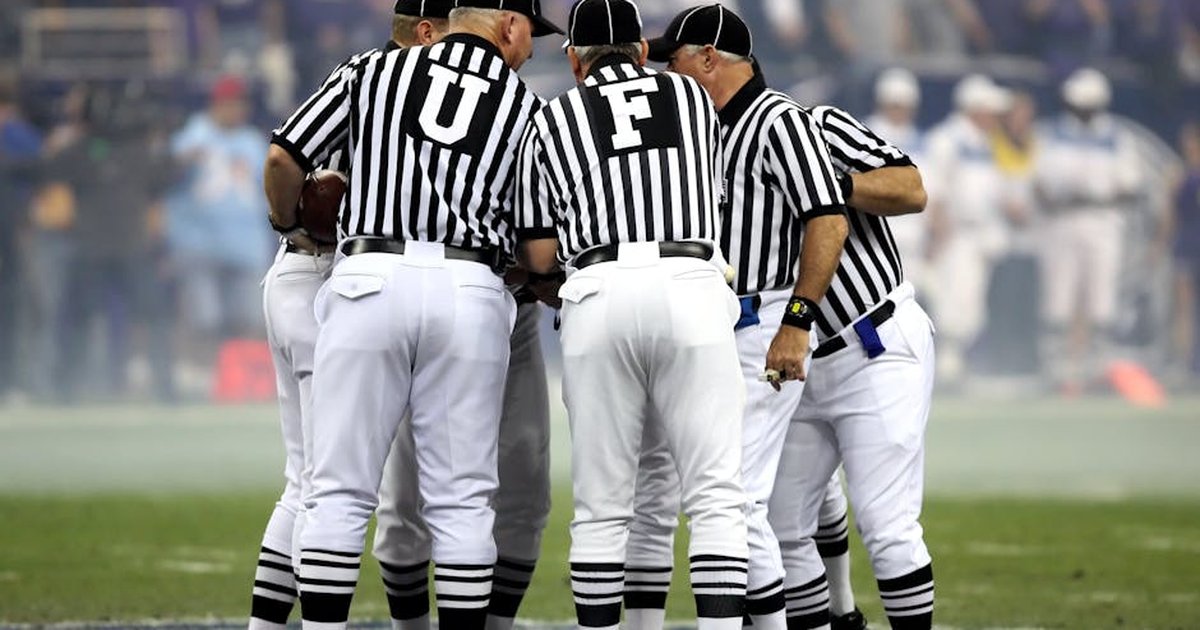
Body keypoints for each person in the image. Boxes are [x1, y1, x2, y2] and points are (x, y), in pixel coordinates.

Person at [264, 1, 560, 627]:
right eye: (530, 32)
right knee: (461, 504)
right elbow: (537, 246)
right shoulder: (528, 108)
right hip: (470, 289)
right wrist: (544, 277)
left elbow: (281, 160)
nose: (531, 48)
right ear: (506, 24)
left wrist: (290, 223)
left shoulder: (372, 70)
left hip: (367, 278)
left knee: (340, 491)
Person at [517, 0, 750, 627]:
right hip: (689, 281)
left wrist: (545, 279)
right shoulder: (693, 98)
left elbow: (539, 250)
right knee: (715, 498)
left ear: (573, 61)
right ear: (643, 52)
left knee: (602, 507)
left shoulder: (552, 117)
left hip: (598, 290)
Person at [621, 5, 851, 629]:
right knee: (730, 497)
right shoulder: (709, 125)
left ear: (709, 59)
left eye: (676, 59)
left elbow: (828, 218)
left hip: (764, 318)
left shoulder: (778, 121)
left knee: (736, 497)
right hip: (721, 323)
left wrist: (797, 322)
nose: (668, 71)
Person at [1033, 67, 1144, 394]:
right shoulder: (1054, 135)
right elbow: (1039, 182)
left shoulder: (1116, 138)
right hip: (1063, 220)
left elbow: (1131, 185)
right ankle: (1057, 369)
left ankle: (1099, 367)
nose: (1082, 112)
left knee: (1101, 297)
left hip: (1102, 220)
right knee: (1059, 295)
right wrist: (1058, 197)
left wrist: (1097, 194)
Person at [167, 75, 274, 374]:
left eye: (240, 104)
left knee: (250, 318)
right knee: (205, 318)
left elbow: (269, 190)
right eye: (230, 104)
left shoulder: (253, 142)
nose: (236, 110)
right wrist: (184, 162)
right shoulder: (191, 137)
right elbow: (166, 181)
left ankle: (238, 379)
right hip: (198, 243)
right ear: (217, 104)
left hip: (245, 244)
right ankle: (204, 377)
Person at [924, 73, 1012, 388]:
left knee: (971, 306)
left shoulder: (984, 142)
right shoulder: (947, 138)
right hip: (955, 234)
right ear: (975, 108)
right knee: (952, 303)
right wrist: (937, 233)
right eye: (990, 109)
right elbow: (935, 187)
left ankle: (955, 367)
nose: (996, 116)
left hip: (979, 235)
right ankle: (946, 369)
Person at [865, 68, 930, 295]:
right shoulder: (865, 134)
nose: (900, 111)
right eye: (895, 104)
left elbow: (930, 190)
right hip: (875, 239)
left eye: (904, 105)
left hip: (913, 239)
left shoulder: (922, 141)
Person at [0, 78, 41, 403]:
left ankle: (13, 380)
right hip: (15, 234)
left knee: (13, 309)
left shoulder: (19, 138)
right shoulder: (23, 139)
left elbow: (39, 182)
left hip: (12, 236)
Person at [1173, 122, 1200, 380]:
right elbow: (1170, 215)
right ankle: (1186, 364)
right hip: (1186, 246)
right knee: (1184, 308)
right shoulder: (1179, 174)